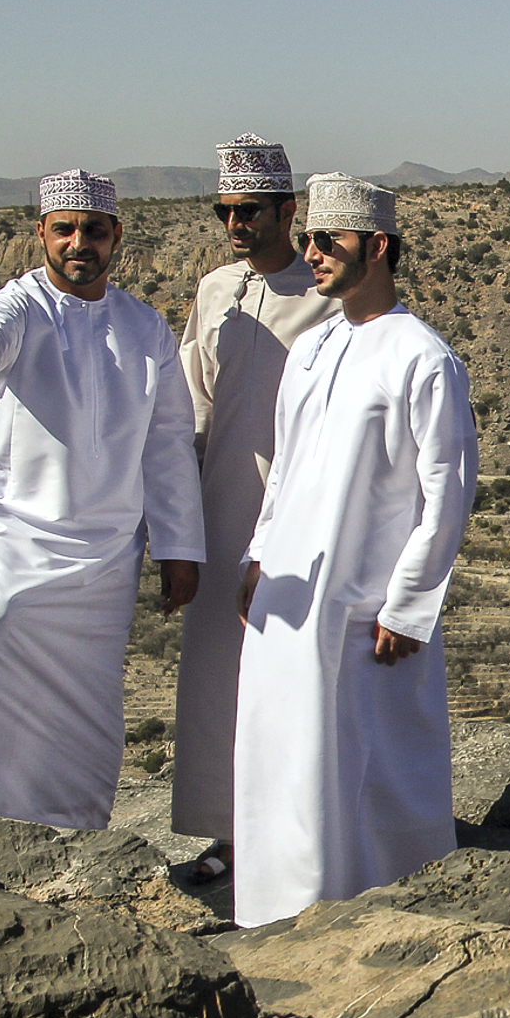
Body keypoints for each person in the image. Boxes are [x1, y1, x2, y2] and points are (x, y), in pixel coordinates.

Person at [0, 170, 203, 835]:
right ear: (42, 235)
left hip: (105, 545)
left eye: (92, 229)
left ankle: (72, 820)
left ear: (115, 237)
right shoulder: (19, 305)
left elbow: (167, 443)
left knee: (84, 694)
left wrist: (178, 548)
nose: (77, 241)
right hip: (11, 524)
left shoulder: (145, 329)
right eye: (64, 229)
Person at [232, 174, 474, 927]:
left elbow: (449, 493)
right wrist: (258, 555)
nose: (310, 254)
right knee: (281, 758)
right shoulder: (310, 348)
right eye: (307, 240)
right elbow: (288, 465)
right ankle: (273, 915)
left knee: (369, 765)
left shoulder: (422, 357)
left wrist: (407, 606)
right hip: (289, 592)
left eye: (326, 243)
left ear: (375, 247)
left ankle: (377, 916)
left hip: (365, 606)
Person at [168, 134, 337, 883]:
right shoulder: (215, 291)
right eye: (226, 211)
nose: (237, 224)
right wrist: (173, 517)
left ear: (286, 211)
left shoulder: (327, 295)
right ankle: (231, 836)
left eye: (251, 211)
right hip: (218, 506)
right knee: (217, 678)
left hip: (297, 512)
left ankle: (303, 833)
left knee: (292, 677)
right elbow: (191, 403)